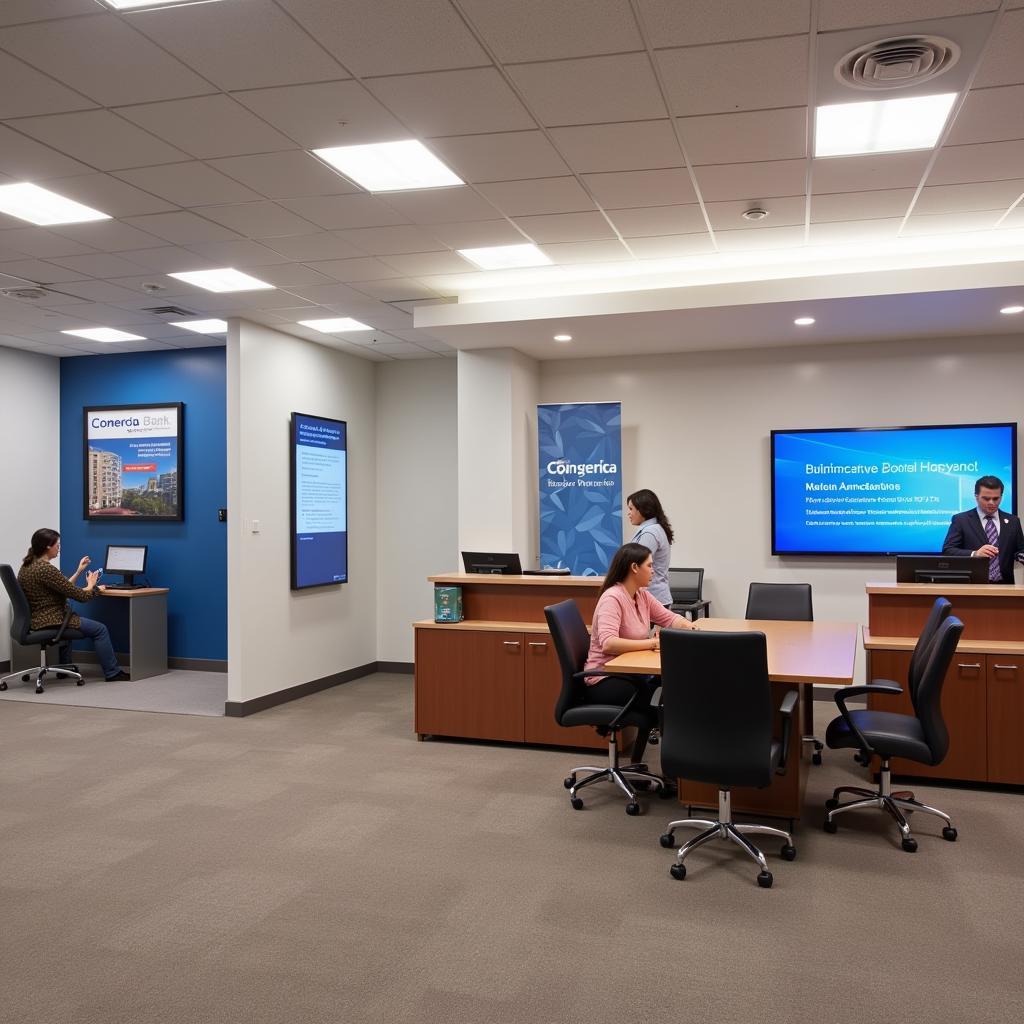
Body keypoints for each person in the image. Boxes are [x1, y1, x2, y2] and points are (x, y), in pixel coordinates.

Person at [18, 528, 128, 682]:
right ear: (48, 546)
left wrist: (78, 571)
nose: (59, 548)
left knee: (72, 618)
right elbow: (81, 596)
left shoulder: (28, 566)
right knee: (100, 629)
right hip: (52, 620)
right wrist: (92, 585)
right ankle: (112, 673)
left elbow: (64, 588)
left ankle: (64, 669)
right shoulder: (46, 569)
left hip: (38, 618)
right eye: (58, 545)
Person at [942, 475, 1024, 583]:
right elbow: (948, 550)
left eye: (996, 498)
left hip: (1005, 586)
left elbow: (1020, 550)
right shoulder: (961, 520)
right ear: (976, 496)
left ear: (1001, 496)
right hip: (973, 586)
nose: (991, 502)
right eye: (986, 498)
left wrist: (1021, 555)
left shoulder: (1013, 521)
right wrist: (975, 554)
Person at [626, 488, 674, 606]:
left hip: (652, 598)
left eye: (631, 509)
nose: (629, 513)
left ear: (643, 510)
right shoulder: (654, 529)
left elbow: (637, 564)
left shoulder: (650, 533)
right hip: (655, 597)